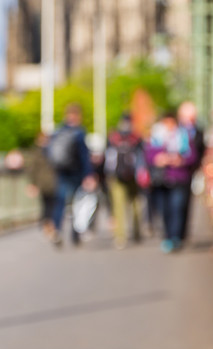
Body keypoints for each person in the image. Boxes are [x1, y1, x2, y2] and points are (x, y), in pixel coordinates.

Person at [145, 111, 198, 253]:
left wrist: (180, 160)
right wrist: (159, 158)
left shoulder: (184, 136)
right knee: (165, 210)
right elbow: (149, 155)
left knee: (177, 208)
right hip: (162, 180)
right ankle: (168, 236)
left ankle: (176, 237)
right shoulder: (157, 137)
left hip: (179, 178)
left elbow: (192, 156)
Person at [46, 103, 95, 246]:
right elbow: (84, 155)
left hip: (60, 172)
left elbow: (48, 153)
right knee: (76, 204)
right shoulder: (79, 132)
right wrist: (89, 174)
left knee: (60, 202)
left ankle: (57, 229)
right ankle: (75, 234)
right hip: (75, 173)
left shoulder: (57, 131)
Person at [104, 112, 145, 249]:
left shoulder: (113, 137)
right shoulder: (136, 137)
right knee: (133, 205)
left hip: (117, 176)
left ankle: (121, 236)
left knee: (121, 206)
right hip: (128, 175)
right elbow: (141, 157)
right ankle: (134, 232)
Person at [177, 101, 205, 238]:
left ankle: (181, 233)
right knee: (174, 205)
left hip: (188, 172)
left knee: (185, 203)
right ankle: (173, 233)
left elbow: (201, 150)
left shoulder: (198, 131)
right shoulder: (176, 131)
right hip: (172, 173)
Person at [25, 132, 57, 239]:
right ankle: (47, 225)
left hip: (52, 183)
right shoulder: (43, 152)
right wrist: (32, 184)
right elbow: (32, 169)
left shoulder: (49, 152)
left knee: (51, 205)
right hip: (45, 183)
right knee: (47, 205)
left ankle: (49, 225)